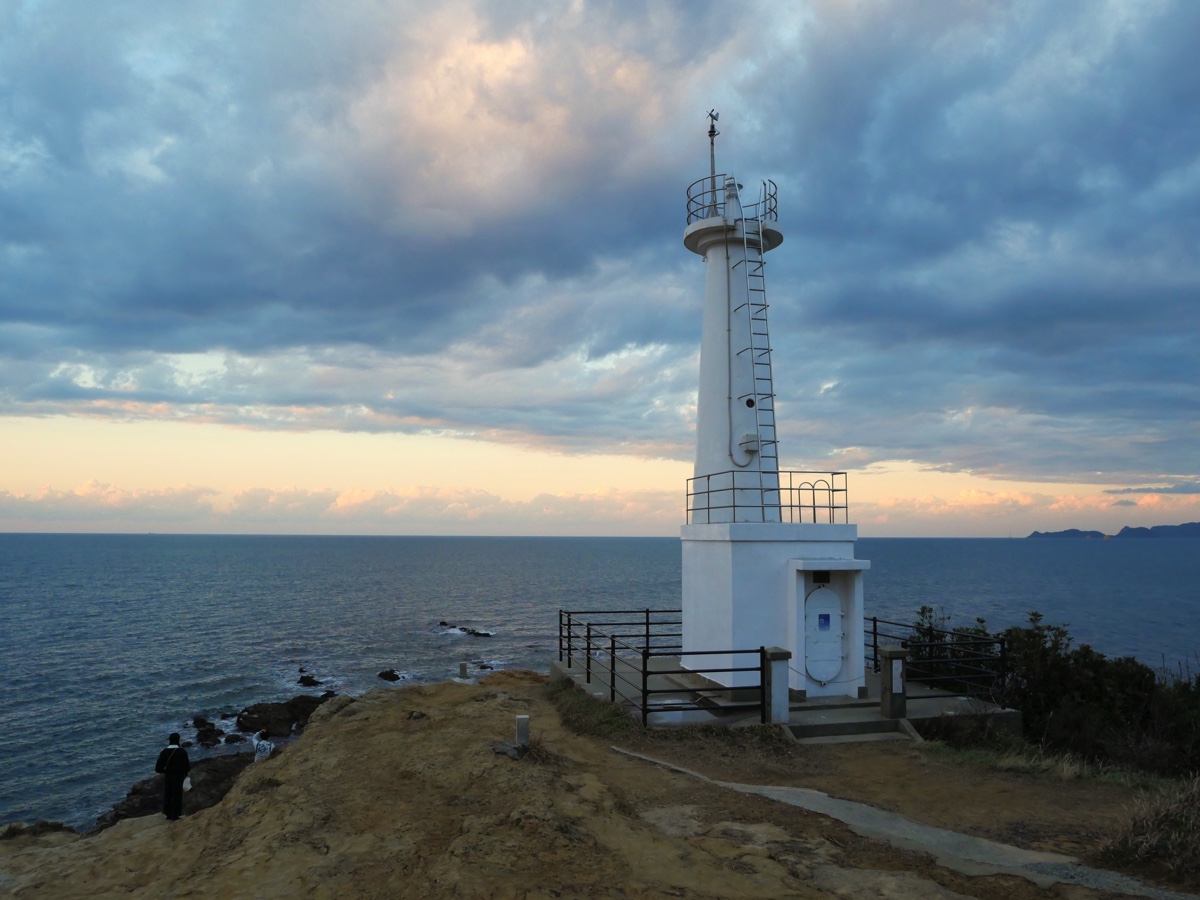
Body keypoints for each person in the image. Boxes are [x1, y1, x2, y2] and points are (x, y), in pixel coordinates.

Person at [154, 733, 191, 821]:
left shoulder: (164, 752)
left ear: (169, 740)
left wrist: (167, 771)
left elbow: (158, 768)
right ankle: (176, 815)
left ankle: (168, 814)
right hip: (179, 777)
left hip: (168, 777)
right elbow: (187, 767)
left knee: (168, 795)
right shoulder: (182, 752)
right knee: (177, 796)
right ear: (178, 740)